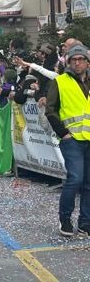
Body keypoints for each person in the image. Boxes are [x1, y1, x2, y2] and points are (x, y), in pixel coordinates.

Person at [46, 43, 90, 237]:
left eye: (81, 59)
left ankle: (85, 223)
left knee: (88, 183)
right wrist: (63, 132)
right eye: (74, 60)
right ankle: (65, 219)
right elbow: (50, 110)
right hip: (72, 139)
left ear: (87, 62)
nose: (78, 63)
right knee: (75, 179)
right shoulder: (60, 81)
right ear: (69, 62)